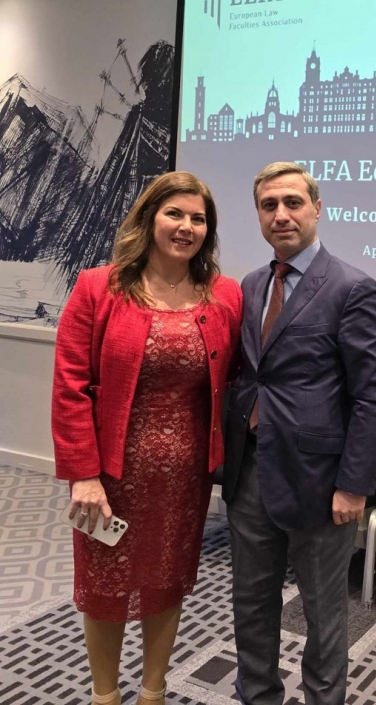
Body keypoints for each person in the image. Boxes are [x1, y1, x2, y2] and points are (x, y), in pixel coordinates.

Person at [51, 172, 242, 705]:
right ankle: (105, 695)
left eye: (198, 218)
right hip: (110, 473)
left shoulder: (224, 294)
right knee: (105, 584)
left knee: (167, 579)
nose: (186, 227)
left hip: (184, 475)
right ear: (148, 218)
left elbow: (241, 375)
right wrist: (83, 475)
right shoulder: (99, 287)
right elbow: (69, 387)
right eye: (174, 213)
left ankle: (152, 693)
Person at [223, 161, 376, 705]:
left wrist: (354, 485)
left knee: (322, 612)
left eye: (293, 203)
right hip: (251, 469)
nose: (281, 215)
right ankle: (258, 695)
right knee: (251, 603)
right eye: (269, 205)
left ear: (316, 209)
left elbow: (372, 396)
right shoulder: (251, 285)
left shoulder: (352, 287)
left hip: (321, 483)